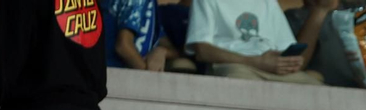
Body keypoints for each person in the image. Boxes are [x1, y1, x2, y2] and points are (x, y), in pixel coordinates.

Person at [186, 0, 332, 82]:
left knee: (317, 90)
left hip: (273, 69)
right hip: (235, 66)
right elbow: (202, 50)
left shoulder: (268, 2)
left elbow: (286, 47)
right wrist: (256, 62)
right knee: (239, 83)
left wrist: (289, 61)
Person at [106, 0, 183, 71]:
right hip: (113, 72)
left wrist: (162, 51)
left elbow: (164, 42)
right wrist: (147, 75)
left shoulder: (151, 4)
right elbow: (123, 47)